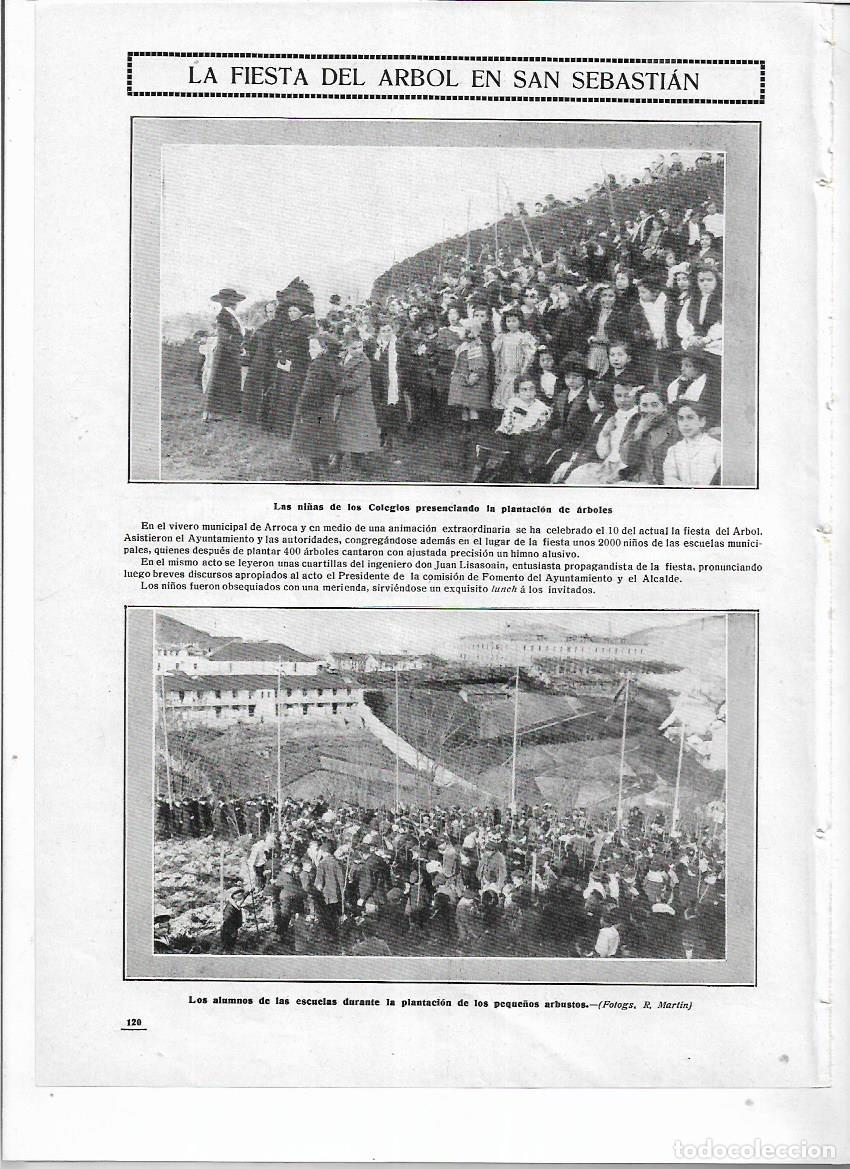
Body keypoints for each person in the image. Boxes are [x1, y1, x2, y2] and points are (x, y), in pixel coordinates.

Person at [289, 331, 341, 480]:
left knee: (312, 441)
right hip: (325, 407)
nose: (309, 350)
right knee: (322, 438)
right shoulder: (332, 363)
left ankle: (315, 475)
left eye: (313, 347)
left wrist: (300, 409)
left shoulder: (316, 365)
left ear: (324, 349)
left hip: (312, 408)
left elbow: (309, 390)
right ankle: (324, 467)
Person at [334, 329, 381, 473]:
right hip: (344, 401)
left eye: (360, 347)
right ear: (346, 346)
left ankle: (358, 464)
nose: (358, 350)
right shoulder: (341, 357)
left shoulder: (364, 362)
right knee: (340, 431)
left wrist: (333, 386)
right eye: (353, 348)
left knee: (358, 433)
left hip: (358, 402)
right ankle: (337, 461)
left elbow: (354, 383)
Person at [268, 288, 313, 437]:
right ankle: (277, 427)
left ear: (301, 312)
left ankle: (289, 429)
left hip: (296, 366)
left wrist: (287, 356)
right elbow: (277, 341)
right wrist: (279, 353)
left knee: (290, 395)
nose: (290, 313)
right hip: (282, 364)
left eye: (294, 311)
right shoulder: (286, 326)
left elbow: (301, 348)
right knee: (280, 393)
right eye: (289, 311)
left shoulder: (304, 328)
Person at [617, 388, 678, 484]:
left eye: (654, 405)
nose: (649, 410)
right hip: (637, 478)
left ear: (664, 407)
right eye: (644, 405)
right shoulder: (635, 421)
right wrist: (638, 432)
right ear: (639, 408)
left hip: (662, 480)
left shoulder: (674, 425)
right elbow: (627, 459)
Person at [203, 288, 245, 421]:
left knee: (227, 381)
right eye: (232, 300)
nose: (234, 303)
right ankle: (214, 413)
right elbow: (226, 337)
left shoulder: (230, 315)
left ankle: (224, 411)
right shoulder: (224, 316)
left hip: (229, 351)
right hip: (226, 352)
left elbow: (236, 333)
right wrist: (237, 349)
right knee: (220, 381)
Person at [663, 400, 722, 486]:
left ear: (702, 421)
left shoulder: (716, 447)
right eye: (681, 419)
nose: (685, 424)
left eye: (690, 418)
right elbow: (669, 478)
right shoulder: (674, 450)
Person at [447, 320, 491, 428]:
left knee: (473, 406)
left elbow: (480, 364)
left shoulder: (477, 346)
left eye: (469, 330)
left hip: (473, 378)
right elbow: (458, 362)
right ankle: (465, 428)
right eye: (466, 330)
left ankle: (474, 430)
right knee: (464, 406)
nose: (467, 333)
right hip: (462, 377)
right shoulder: (462, 345)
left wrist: (475, 375)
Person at [241, 301, 278, 425]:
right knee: (252, 388)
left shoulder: (281, 328)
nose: (269, 314)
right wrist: (247, 342)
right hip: (258, 361)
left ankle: (264, 419)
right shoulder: (264, 325)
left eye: (272, 311)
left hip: (271, 363)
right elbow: (253, 344)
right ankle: (250, 417)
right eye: (267, 312)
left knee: (268, 389)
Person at [491, 309, 537, 409]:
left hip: (517, 371)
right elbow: (497, 356)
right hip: (505, 372)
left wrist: (523, 370)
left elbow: (528, 356)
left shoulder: (523, 337)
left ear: (520, 321)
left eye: (514, 321)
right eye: (508, 321)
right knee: (503, 399)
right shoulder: (502, 337)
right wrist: (498, 372)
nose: (511, 324)